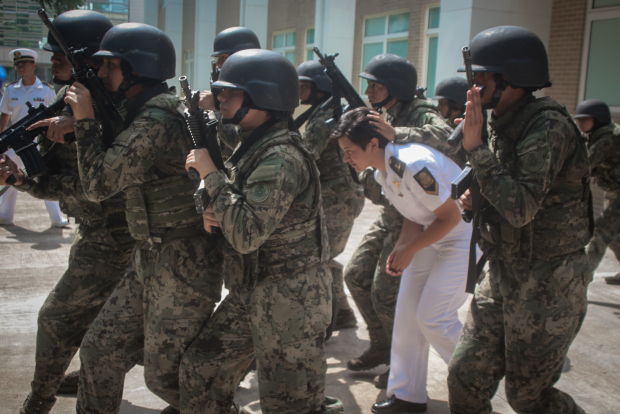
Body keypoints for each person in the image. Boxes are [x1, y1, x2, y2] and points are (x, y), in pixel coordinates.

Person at [63, 23, 223, 414]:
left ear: (137, 70)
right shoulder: (141, 114)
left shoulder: (155, 121)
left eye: (110, 66)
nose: (101, 74)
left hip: (183, 260)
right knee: (100, 348)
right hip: (150, 252)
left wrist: (84, 120)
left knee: (165, 376)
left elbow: (100, 184)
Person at [181, 49, 337, 414]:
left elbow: (246, 234)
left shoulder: (280, 156)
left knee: (291, 406)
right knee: (201, 369)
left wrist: (211, 176)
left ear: (262, 98)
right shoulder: (253, 145)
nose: (220, 98)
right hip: (254, 289)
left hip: (290, 302)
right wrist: (212, 204)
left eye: (229, 92)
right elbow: (240, 204)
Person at [446, 26, 592, 414]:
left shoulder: (548, 127)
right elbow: (501, 188)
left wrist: (476, 148)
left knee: (528, 397)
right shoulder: (501, 122)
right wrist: (475, 201)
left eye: (481, 77)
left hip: (549, 279)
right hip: (503, 269)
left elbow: (521, 207)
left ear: (508, 79)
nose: (473, 86)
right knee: (465, 375)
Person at [0, 11, 136, 414]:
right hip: (93, 231)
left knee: (57, 318)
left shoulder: (118, 108)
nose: (51, 60)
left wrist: (81, 123)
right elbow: (52, 180)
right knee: (102, 322)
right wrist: (19, 179)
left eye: (58, 53)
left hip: (116, 234)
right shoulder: (69, 98)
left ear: (89, 57)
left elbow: (97, 184)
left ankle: (39, 399)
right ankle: (96, 376)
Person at [333, 106, 470, 413]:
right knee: (407, 316)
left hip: (462, 237)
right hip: (432, 236)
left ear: (372, 145)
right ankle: (406, 396)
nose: (346, 158)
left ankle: (477, 377)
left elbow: (450, 217)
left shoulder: (414, 164)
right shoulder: (384, 170)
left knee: (434, 318)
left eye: (349, 151)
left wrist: (411, 249)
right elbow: (413, 214)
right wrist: (403, 247)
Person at [344, 54, 454, 388]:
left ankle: (400, 363)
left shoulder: (421, 113)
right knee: (356, 275)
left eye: (376, 84)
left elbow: (448, 138)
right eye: (368, 84)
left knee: (385, 293)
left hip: (424, 215)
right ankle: (382, 345)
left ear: (397, 87)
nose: (369, 90)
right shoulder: (384, 113)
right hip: (395, 212)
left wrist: (398, 133)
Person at [296, 60, 365, 330]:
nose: (300, 90)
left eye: (305, 85)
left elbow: (306, 154)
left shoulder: (328, 116)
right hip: (340, 197)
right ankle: (343, 314)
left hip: (336, 199)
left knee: (319, 258)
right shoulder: (327, 111)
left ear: (320, 88)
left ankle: (326, 319)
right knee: (324, 257)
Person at [0, 48, 68, 227]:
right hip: (15, 142)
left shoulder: (46, 90)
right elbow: (5, 115)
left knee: (45, 177)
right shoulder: (11, 90)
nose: (21, 68)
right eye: (18, 65)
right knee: (9, 177)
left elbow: (56, 113)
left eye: (25, 64)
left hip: (38, 142)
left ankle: (57, 219)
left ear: (33, 66)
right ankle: (5, 216)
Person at [575, 99, 620, 285]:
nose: (580, 123)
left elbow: (583, 167)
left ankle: (579, 281)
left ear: (598, 120)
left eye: (584, 119)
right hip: (614, 193)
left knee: (601, 231)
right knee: (615, 237)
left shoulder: (607, 141)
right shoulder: (596, 136)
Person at [198, 26, 261, 157]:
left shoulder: (257, 88)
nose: (219, 64)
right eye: (218, 58)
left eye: (224, 57)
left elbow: (241, 142)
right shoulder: (231, 85)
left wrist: (215, 111)